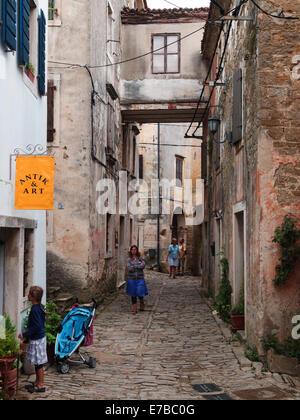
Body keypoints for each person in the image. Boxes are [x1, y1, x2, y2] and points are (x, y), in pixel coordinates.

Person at [18, 286, 48, 394]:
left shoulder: (35, 309)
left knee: (39, 363)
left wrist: (24, 334)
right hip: (38, 338)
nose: (27, 295)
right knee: (36, 362)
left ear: (33, 297)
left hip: (38, 339)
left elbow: (37, 327)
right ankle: (37, 382)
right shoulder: (38, 307)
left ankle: (40, 384)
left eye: (29, 294)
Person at [126, 245, 148, 315]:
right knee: (133, 294)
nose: (133, 251)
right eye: (132, 249)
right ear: (131, 251)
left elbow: (143, 265)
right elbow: (129, 268)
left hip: (140, 278)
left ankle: (141, 302)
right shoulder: (129, 259)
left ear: (137, 250)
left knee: (140, 292)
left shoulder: (140, 258)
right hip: (131, 279)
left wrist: (134, 266)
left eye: (135, 249)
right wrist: (138, 266)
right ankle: (134, 309)